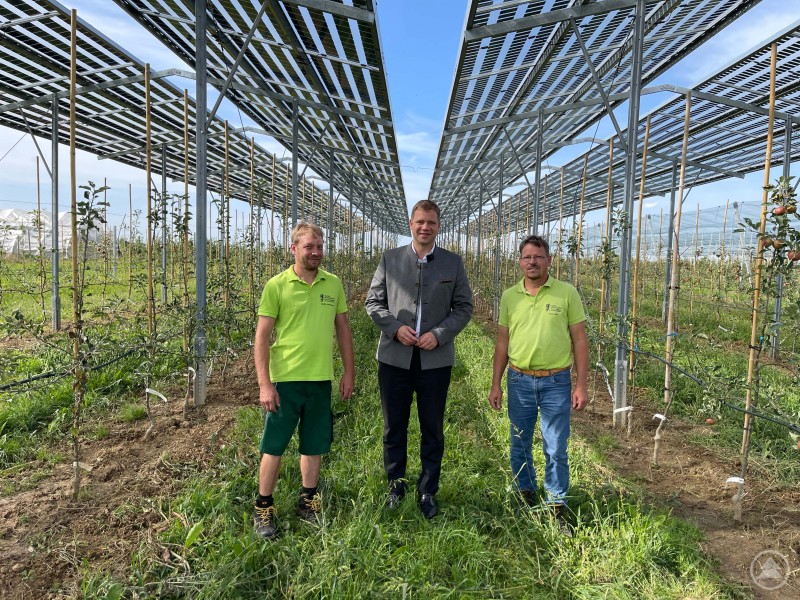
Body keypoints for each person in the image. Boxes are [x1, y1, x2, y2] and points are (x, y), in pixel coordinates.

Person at [365, 200, 473, 519]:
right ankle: (395, 486)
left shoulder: (452, 264)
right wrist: (396, 328)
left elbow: (464, 307)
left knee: (432, 427)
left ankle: (427, 490)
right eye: (420, 221)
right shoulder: (390, 259)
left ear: (439, 226)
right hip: (394, 359)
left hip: (434, 362)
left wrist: (439, 334)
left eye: (431, 222)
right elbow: (373, 302)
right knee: (393, 425)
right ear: (410, 223)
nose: (425, 227)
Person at [253, 222, 355, 538]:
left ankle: (308, 500)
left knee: (313, 444)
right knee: (275, 445)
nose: (315, 252)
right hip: (285, 380)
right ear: (294, 248)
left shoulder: (333, 284)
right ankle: (263, 506)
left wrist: (348, 372)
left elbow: (342, 330)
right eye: (309, 246)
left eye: (319, 246)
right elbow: (261, 337)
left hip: (320, 379)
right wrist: (265, 384)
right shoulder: (277, 285)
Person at [487, 234, 589, 534]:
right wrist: (496, 383)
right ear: (519, 261)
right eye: (526, 256)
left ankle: (556, 507)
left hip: (556, 381)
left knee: (556, 447)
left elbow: (580, 340)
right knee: (519, 442)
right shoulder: (509, 296)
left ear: (549, 260)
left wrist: (581, 384)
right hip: (518, 379)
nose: (532, 261)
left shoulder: (566, 293)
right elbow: (503, 341)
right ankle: (525, 494)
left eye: (538, 256)